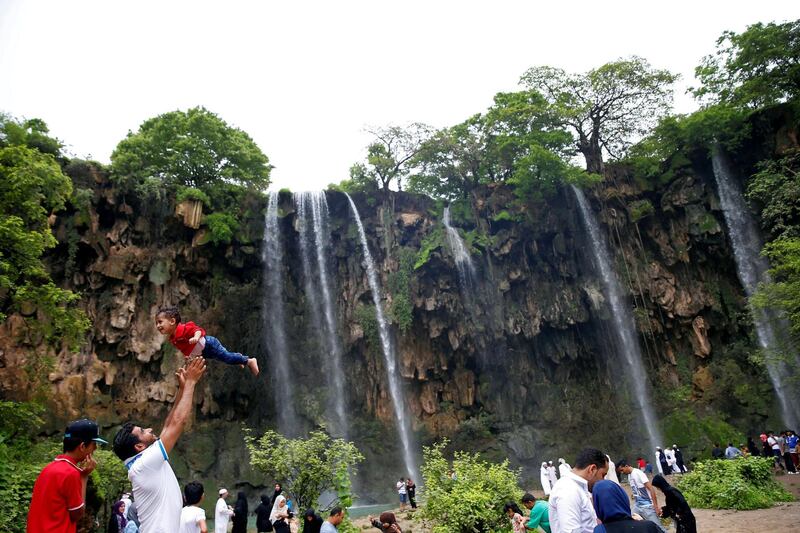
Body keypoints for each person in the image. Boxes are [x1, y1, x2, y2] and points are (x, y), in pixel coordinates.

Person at [112, 357, 207, 533]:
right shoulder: (145, 464)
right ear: (139, 446)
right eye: (143, 431)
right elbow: (178, 423)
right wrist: (192, 383)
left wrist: (182, 389)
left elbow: (169, 424)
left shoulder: (141, 464)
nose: (149, 429)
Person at [27, 418, 106, 533]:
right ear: (82, 446)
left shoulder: (48, 468)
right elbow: (78, 514)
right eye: (94, 444)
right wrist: (84, 477)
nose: (95, 448)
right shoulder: (70, 473)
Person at [156, 306, 259, 375]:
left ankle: (249, 361)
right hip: (204, 352)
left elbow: (197, 330)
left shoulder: (184, 329)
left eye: (160, 322)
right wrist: (188, 357)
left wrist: (196, 337)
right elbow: (185, 349)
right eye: (156, 323)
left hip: (209, 344)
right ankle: (238, 359)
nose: (158, 326)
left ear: (172, 321)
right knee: (225, 358)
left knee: (226, 357)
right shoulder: (173, 339)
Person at [548, 447, 608, 533]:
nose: (603, 480)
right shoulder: (568, 489)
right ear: (592, 469)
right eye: (603, 475)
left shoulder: (577, 487)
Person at [615, 459, 665, 533]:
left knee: (658, 527)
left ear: (626, 466)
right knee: (629, 521)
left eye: (622, 470)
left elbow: (651, 489)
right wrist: (635, 495)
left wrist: (656, 507)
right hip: (638, 505)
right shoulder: (629, 476)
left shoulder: (638, 473)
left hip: (647, 506)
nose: (622, 473)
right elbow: (637, 489)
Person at [591, 480, 660, 533]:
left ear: (597, 505)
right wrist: (642, 522)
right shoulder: (648, 526)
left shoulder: (599, 530)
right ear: (623, 497)